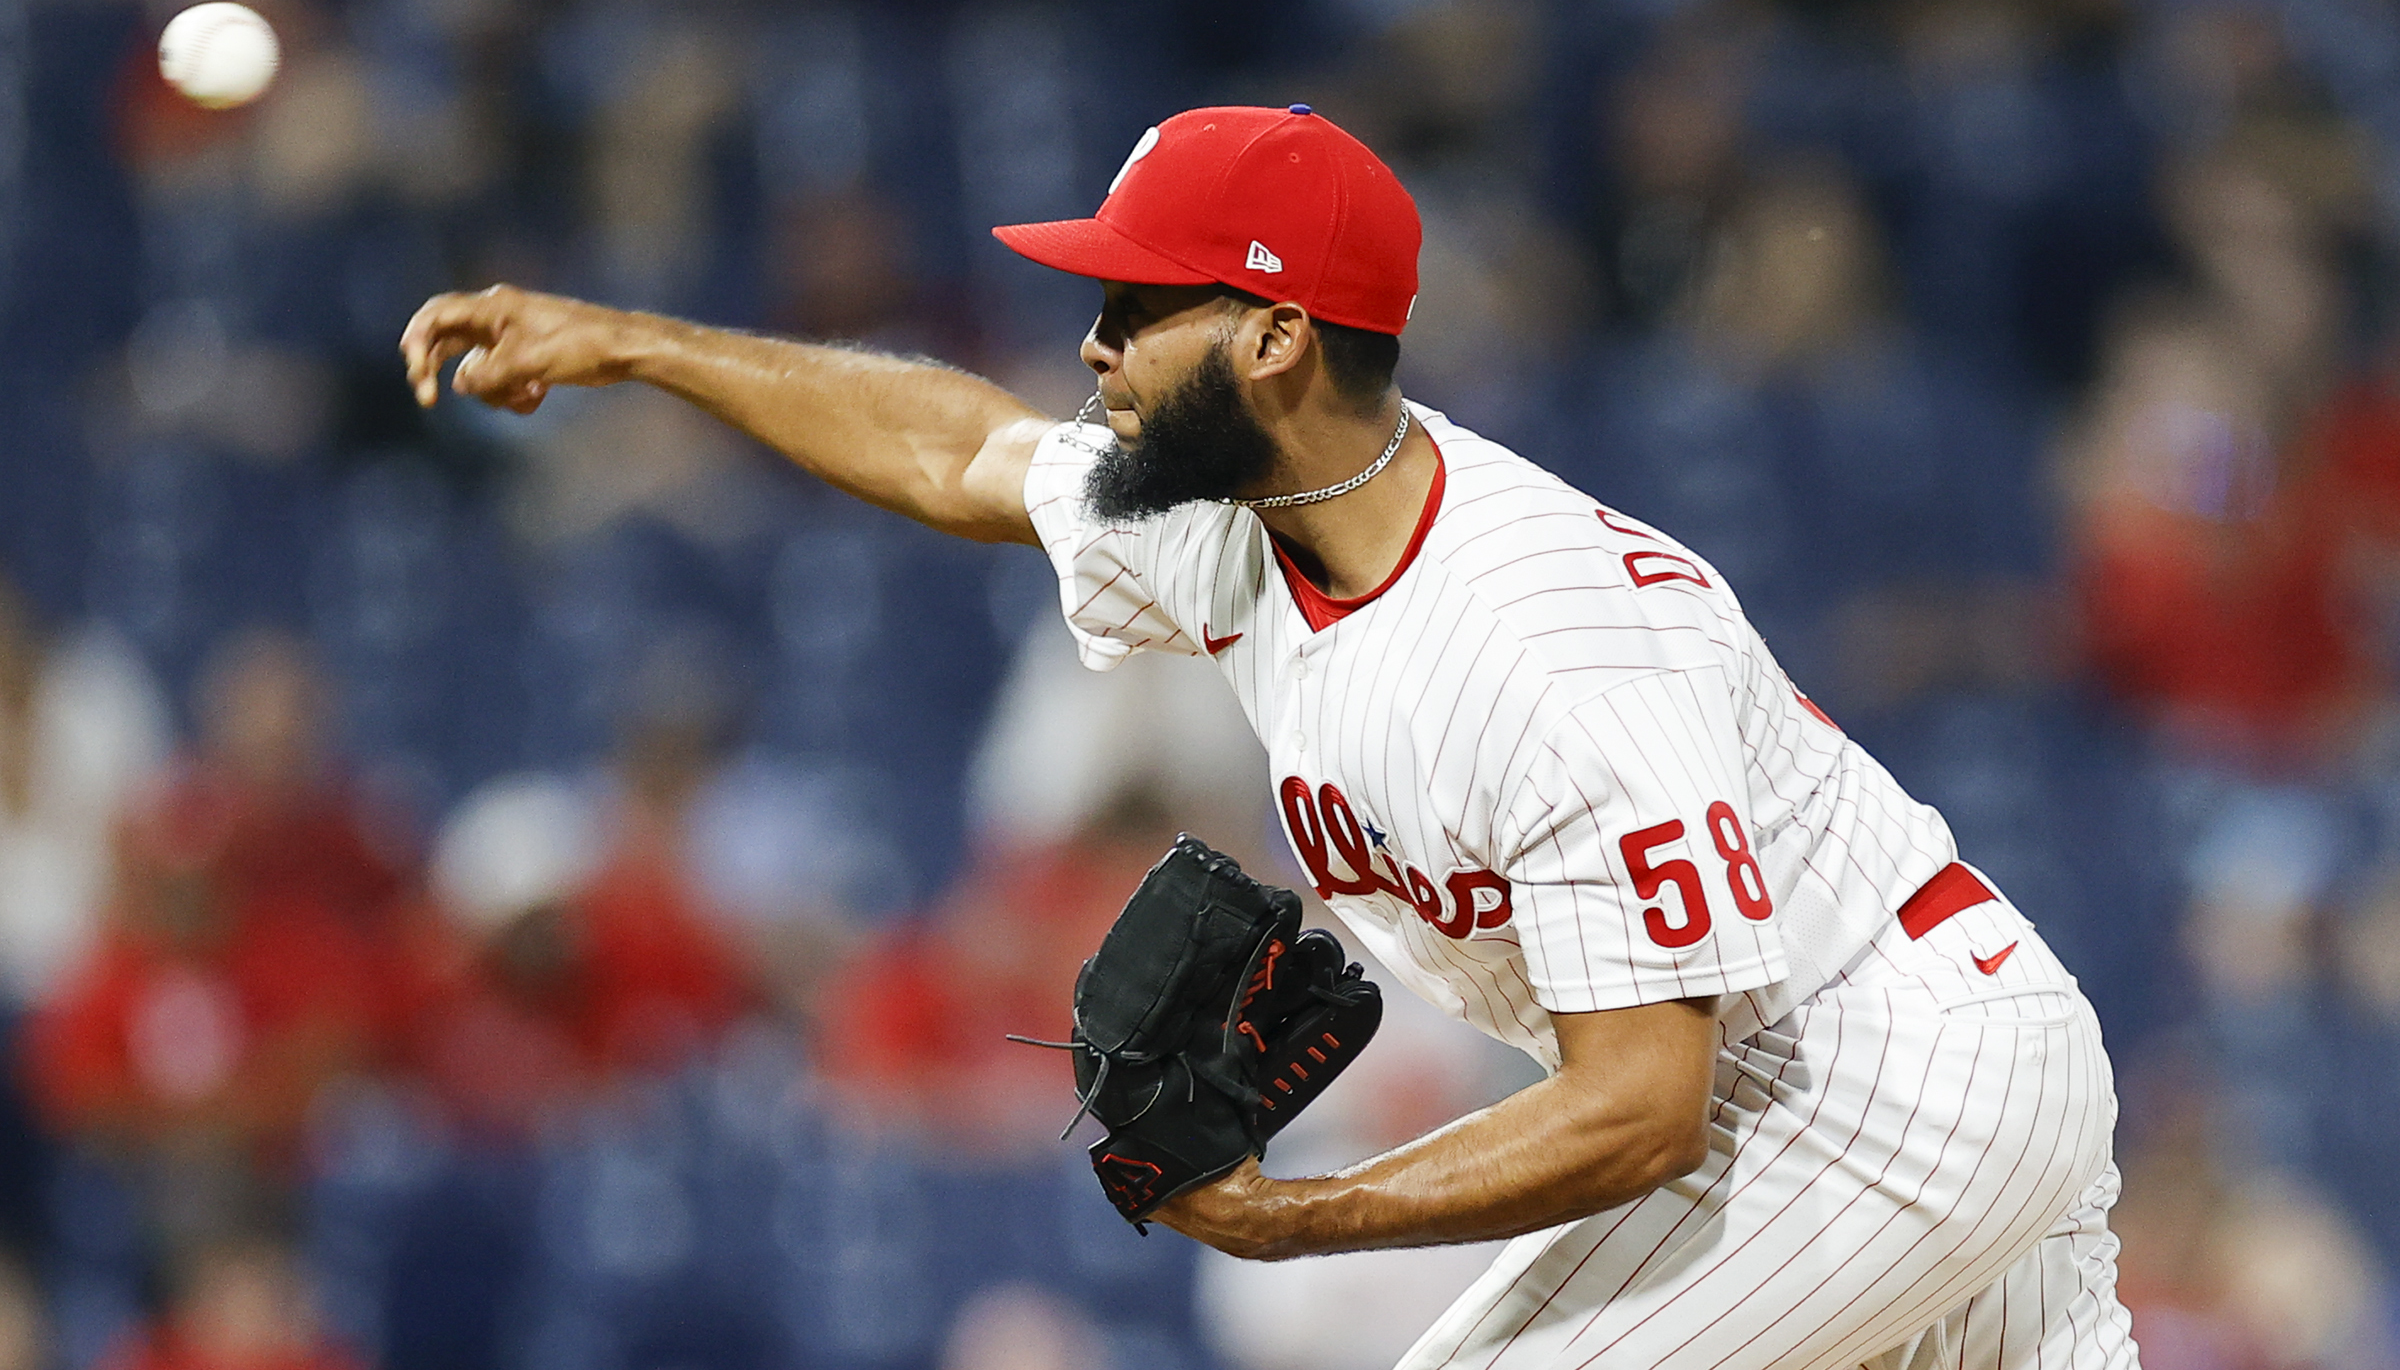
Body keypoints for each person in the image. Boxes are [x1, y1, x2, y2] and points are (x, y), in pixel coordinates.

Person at [400, 104, 2140, 1370]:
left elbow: (1641, 1111)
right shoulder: (1240, 507)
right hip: (1856, 1061)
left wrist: (1299, 1213)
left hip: (1886, 1077)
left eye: (1134, 310)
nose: (1091, 347)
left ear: (1280, 335)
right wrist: (631, 344)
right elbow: (956, 453)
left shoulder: (1546, 648)